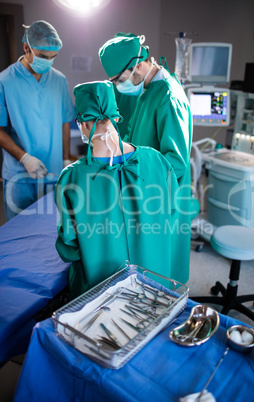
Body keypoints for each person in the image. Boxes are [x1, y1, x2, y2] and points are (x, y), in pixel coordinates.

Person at [55, 80, 181, 300]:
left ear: (83, 123)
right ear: (115, 117)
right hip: (155, 285)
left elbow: (69, 247)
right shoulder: (157, 160)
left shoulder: (72, 178)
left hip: (101, 293)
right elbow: (172, 214)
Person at [99, 34, 193, 283]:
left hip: (163, 195)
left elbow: (176, 163)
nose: (120, 86)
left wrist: (133, 167)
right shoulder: (147, 89)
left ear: (138, 65)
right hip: (147, 188)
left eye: (120, 79)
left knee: (161, 272)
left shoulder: (169, 98)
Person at [0, 20, 76, 220]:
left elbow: (65, 121)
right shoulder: (5, 81)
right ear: (26, 47)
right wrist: (24, 158)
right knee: (18, 235)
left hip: (53, 173)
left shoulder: (59, 80)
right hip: (19, 177)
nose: (48, 62)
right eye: (43, 56)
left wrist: (66, 159)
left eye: (53, 58)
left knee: (50, 234)